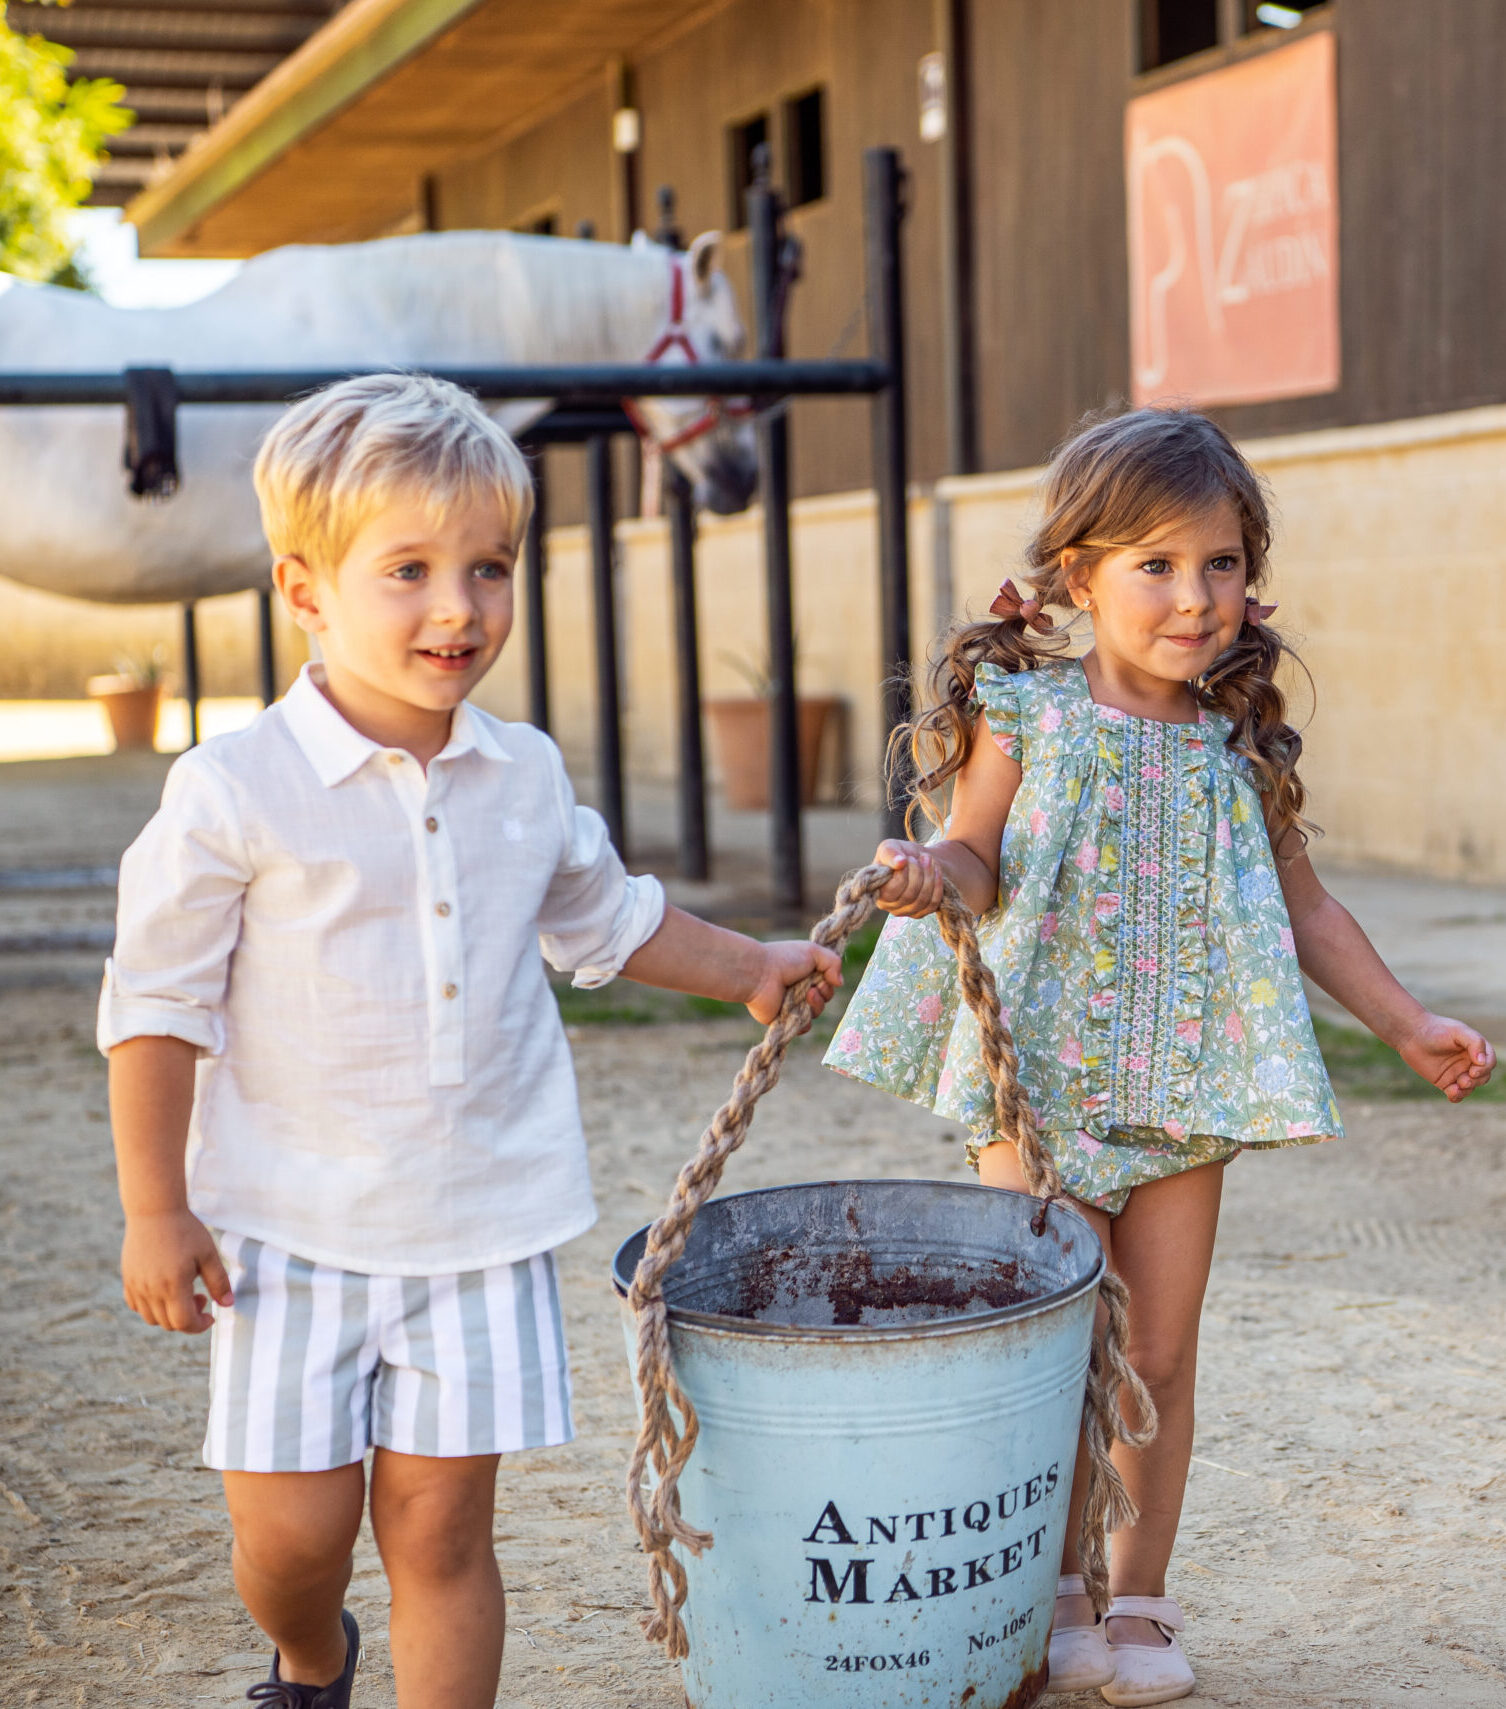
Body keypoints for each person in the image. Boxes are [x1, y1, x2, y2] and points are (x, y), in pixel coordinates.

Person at [101, 372, 841, 1709]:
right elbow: (155, 1003)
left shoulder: (524, 776)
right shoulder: (232, 792)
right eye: (409, 570)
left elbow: (606, 918)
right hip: (284, 1229)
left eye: (489, 567)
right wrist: (157, 1207)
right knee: (292, 1540)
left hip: (479, 1223)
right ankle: (313, 1659)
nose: (459, 607)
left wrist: (751, 970)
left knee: (441, 1534)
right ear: (304, 588)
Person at [825, 406, 1494, 1706]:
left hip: (1188, 1083)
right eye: (1155, 565)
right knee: (1059, 1342)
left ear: (1250, 574)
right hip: (1046, 1082)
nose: (1194, 598)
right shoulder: (1026, 712)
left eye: (1221, 564)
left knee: (1158, 1356)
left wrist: (1404, 1020)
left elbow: (1308, 910)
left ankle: (1134, 1601)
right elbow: (973, 850)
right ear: (1077, 577)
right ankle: (1055, 1587)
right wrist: (929, 871)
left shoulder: (1236, 741)